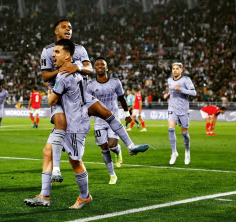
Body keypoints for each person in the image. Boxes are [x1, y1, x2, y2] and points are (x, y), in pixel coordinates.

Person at [41, 18, 149, 183]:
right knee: (60, 125)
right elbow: (45, 76)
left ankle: (130, 146)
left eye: (70, 27)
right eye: (63, 27)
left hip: (82, 93)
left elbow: (89, 69)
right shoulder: (48, 51)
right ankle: (56, 169)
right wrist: (62, 71)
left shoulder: (80, 49)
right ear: (56, 31)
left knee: (106, 112)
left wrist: (77, 67)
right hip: (61, 96)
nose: (68, 29)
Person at [25, 39, 92, 209]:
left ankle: (85, 197)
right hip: (68, 120)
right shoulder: (77, 70)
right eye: (53, 52)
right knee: (47, 151)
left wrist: (50, 93)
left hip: (75, 123)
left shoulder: (65, 74)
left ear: (67, 55)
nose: (53, 55)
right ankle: (44, 195)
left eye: (57, 52)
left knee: (75, 161)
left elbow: (53, 99)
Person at [87, 57, 131, 184]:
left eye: (103, 64)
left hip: (113, 119)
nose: (100, 66)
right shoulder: (90, 85)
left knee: (112, 145)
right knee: (104, 149)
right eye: (98, 64)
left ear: (106, 68)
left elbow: (122, 98)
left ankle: (118, 152)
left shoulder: (115, 82)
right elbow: (88, 103)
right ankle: (112, 175)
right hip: (99, 121)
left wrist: (127, 113)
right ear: (95, 68)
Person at [163, 62, 196, 165]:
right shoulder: (169, 80)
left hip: (183, 109)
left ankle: (187, 152)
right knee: (171, 129)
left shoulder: (186, 80)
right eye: (173, 68)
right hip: (172, 107)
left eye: (177, 68)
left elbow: (194, 93)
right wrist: (167, 94)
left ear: (181, 70)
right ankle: (174, 152)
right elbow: (170, 90)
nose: (175, 70)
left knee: (184, 133)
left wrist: (181, 89)